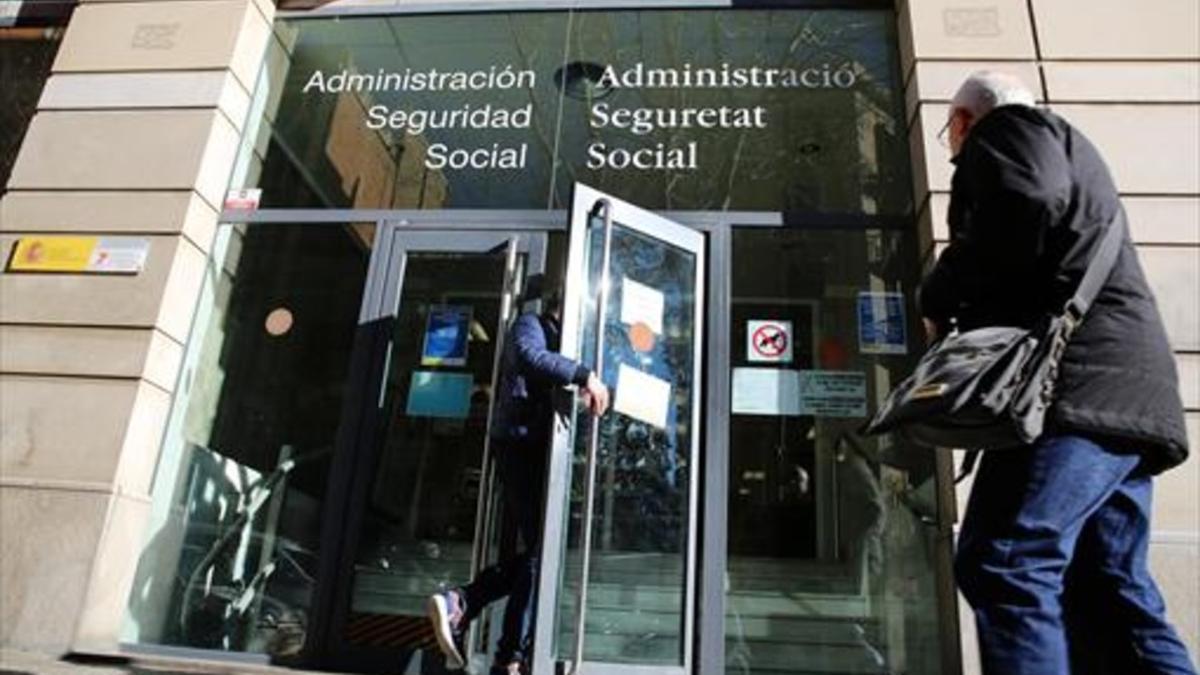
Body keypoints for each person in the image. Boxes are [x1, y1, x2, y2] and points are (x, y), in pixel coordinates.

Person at [921, 71, 1196, 675]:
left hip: (1075, 392)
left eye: (949, 134)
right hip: (1128, 399)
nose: (953, 147)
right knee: (1110, 588)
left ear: (964, 121)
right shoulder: (1073, 150)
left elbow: (1028, 202)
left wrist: (941, 294)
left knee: (1004, 559)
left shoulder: (1010, 130)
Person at [426, 278, 609, 675]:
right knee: (542, 552)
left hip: (542, 452)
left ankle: (468, 608)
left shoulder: (567, 345)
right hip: (520, 445)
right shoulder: (531, 325)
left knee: (540, 554)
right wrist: (584, 374)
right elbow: (529, 357)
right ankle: (506, 652)